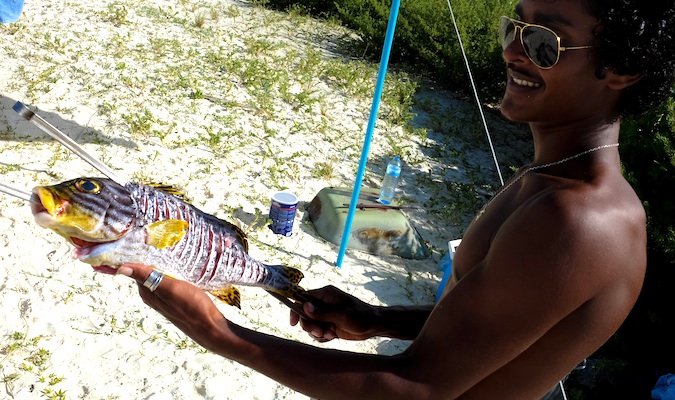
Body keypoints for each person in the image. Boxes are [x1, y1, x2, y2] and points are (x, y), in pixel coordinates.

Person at [115, 0, 675, 398]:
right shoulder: (551, 177)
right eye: (515, 24)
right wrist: (379, 318)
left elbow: (414, 389)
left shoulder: (578, 219)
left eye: (543, 42)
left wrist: (218, 331)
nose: (511, 49)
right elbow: (498, 328)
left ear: (622, 70)